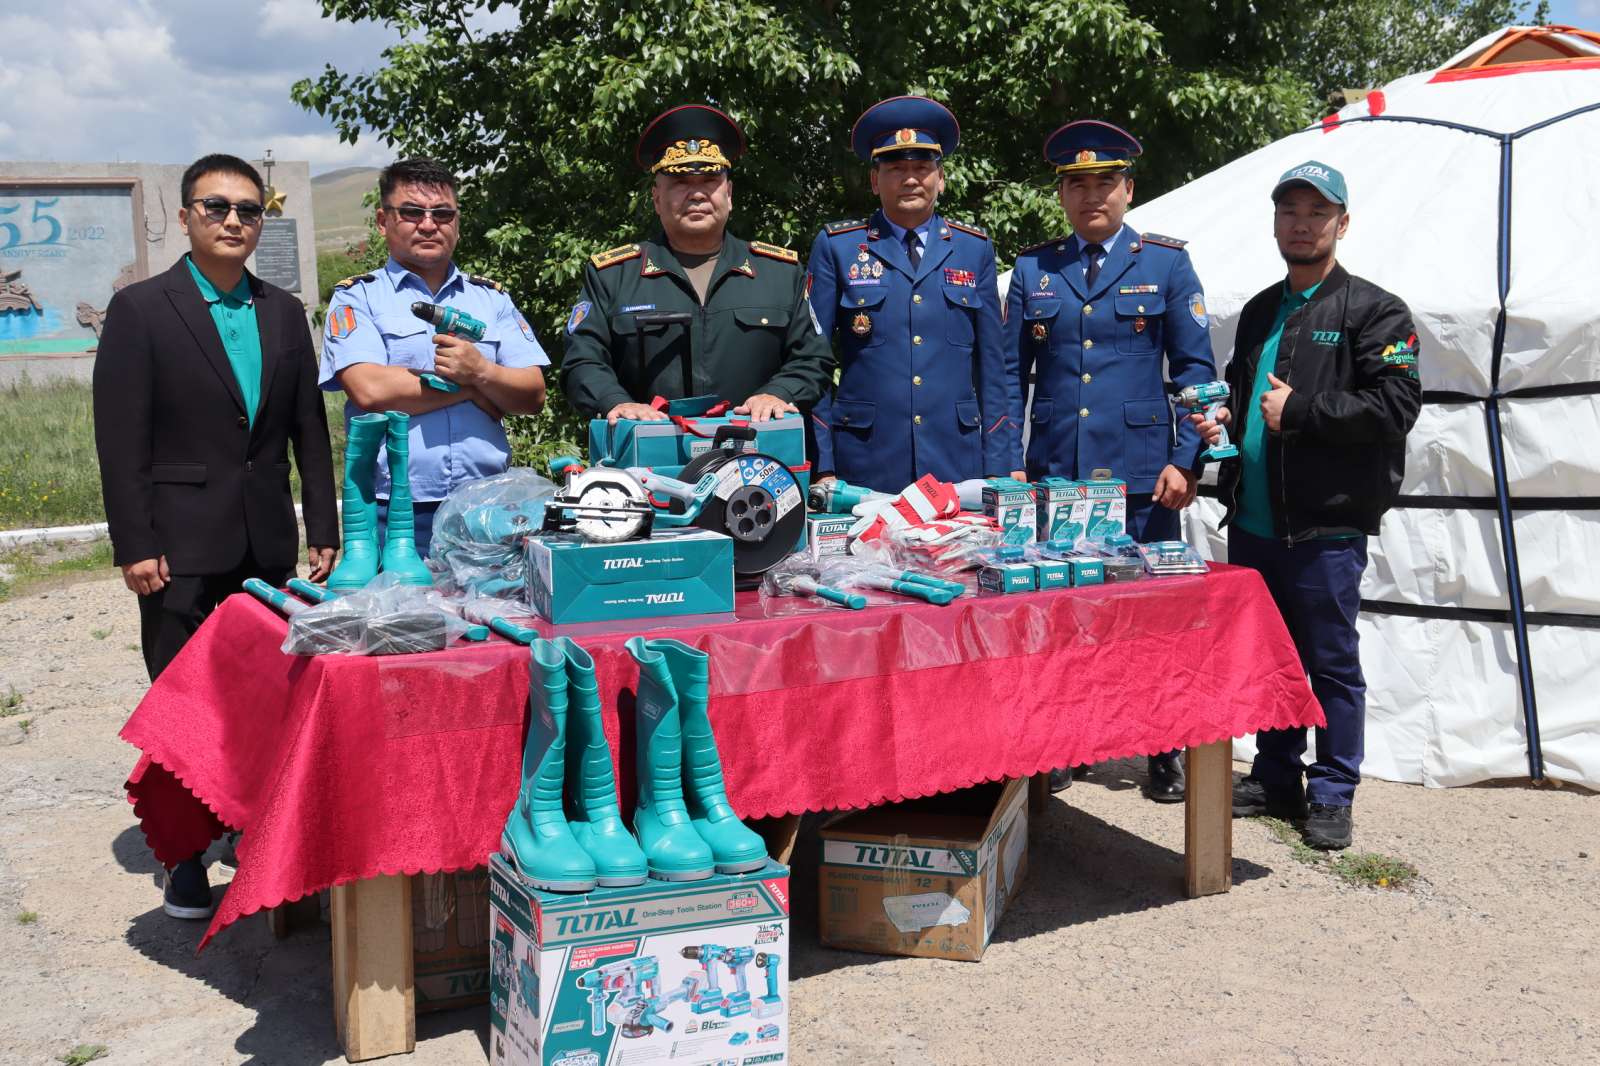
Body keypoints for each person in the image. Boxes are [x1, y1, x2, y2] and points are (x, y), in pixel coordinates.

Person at [93, 153, 338, 919]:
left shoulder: (283, 312)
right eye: (216, 206)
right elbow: (120, 440)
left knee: (262, 694)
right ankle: (183, 855)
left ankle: (247, 824)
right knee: (184, 703)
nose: (234, 220)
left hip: (264, 545)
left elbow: (308, 429)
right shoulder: (141, 310)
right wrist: (134, 543)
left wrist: (322, 523)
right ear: (185, 215)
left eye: (248, 209)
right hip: (177, 547)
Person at [1190, 161, 1421, 850]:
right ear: (1274, 223)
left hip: (1325, 525)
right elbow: (1245, 394)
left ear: (1342, 224)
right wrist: (1222, 419)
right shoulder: (1260, 310)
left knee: (1331, 663)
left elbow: (1396, 406)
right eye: (1290, 211)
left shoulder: (1376, 311)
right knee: (1270, 658)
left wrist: (1303, 411)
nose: (1302, 223)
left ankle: (1334, 791)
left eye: (1317, 212)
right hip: (1254, 521)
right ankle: (1275, 775)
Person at [1004, 121, 1218, 802]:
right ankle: (1064, 741)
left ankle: (1162, 745)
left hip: (1142, 474)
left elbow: (1195, 372)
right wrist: (1010, 461)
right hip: (1057, 475)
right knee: (1060, 614)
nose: (1091, 195)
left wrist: (1187, 459)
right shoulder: (1034, 270)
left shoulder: (1166, 264)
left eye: (1105, 182)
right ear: (1061, 194)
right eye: (1077, 184)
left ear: (1129, 189)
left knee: (1152, 616)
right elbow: (1009, 375)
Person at [320, 158, 548, 557]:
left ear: (457, 223)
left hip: (488, 504)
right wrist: (474, 386)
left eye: (442, 214)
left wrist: (480, 370)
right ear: (383, 221)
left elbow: (532, 393)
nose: (428, 224)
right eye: (412, 212)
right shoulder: (358, 297)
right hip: (398, 509)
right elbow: (369, 390)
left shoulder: (491, 299)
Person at [560, 105, 833, 424]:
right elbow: (582, 360)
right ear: (656, 198)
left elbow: (813, 357)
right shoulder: (613, 276)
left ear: (729, 194)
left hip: (757, 447)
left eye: (710, 180)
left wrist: (779, 393)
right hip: (646, 446)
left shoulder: (780, 274)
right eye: (680, 182)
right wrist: (615, 401)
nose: (697, 194)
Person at [806, 95, 1021, 493]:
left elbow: (994, 365)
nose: (910, 179)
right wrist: (822, 464)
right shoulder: (838, 247)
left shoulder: (973, 249)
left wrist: (1002, 463)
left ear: (941, 179)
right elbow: (813, 360)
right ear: (875, 181)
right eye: (896, 169)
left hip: (956, 460)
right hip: (864, 460)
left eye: (922, 168)